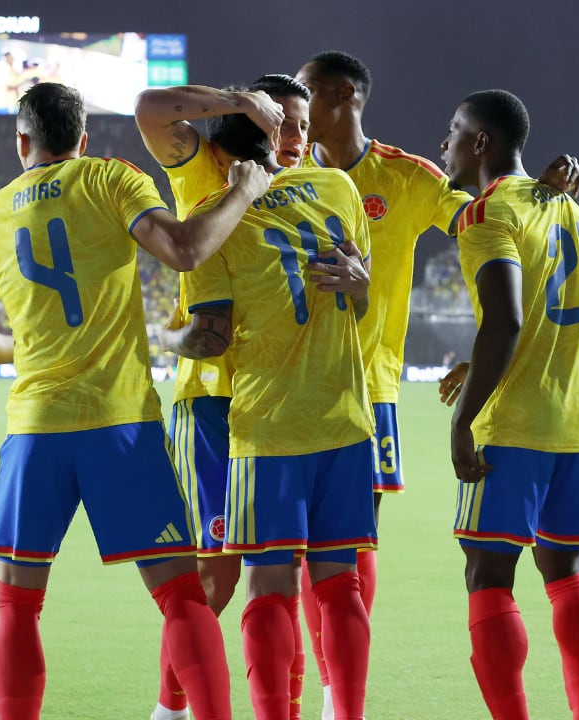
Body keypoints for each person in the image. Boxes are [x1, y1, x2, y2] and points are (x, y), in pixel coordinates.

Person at [0, 82, 271, 720]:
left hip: (35, 427)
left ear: (22, 141)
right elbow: (184, 248)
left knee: (17, 602)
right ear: (83, 138)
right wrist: (243, 190)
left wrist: (30, 349)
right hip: (120, 423)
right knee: (181, 594)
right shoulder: (108, 178)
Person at [293, 50, 579, 715]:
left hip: (365, 392)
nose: (294, 105)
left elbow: (489, 220)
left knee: (346, 548)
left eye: (305, 91)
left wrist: (539, 198)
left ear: (343, 95)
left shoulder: (407, 177)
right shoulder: (284, 176)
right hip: (276, 389)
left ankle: (340, 697)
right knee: (277, 563)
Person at [161, 96, 375, 720]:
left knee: (269, 588)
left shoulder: (214, 218)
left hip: (266, 426)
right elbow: (355, 296)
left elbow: (211, 338)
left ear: (223, 151)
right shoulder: (337, 187)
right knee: (340, 586)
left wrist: (166, 336)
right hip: (344, 416)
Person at [135, 73, 312, 720]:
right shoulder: (204, 165)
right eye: (283, 120)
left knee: (280, 573)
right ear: (257, 118)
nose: (295, 136)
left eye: (304, 125)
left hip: (286, 401)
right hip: (213, 397)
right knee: (218, 573)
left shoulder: (313, 187)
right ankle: (172, 709)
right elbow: (150, 108)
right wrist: (237, 100)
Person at [437, 89, 579, 720]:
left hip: (515, 425)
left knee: (488, 575)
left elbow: (508, 321)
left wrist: (464, 420)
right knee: (566, 572)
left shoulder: (487, 212)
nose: (445, 143)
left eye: (454, 131)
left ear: (481, 142)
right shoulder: (577, 217)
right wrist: (475, 354)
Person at [0, 50, 21, 115]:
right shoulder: (5, 68)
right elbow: (12, 85)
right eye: (11, 57)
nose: (12, 59)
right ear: (7, 57)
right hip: (7, 104)